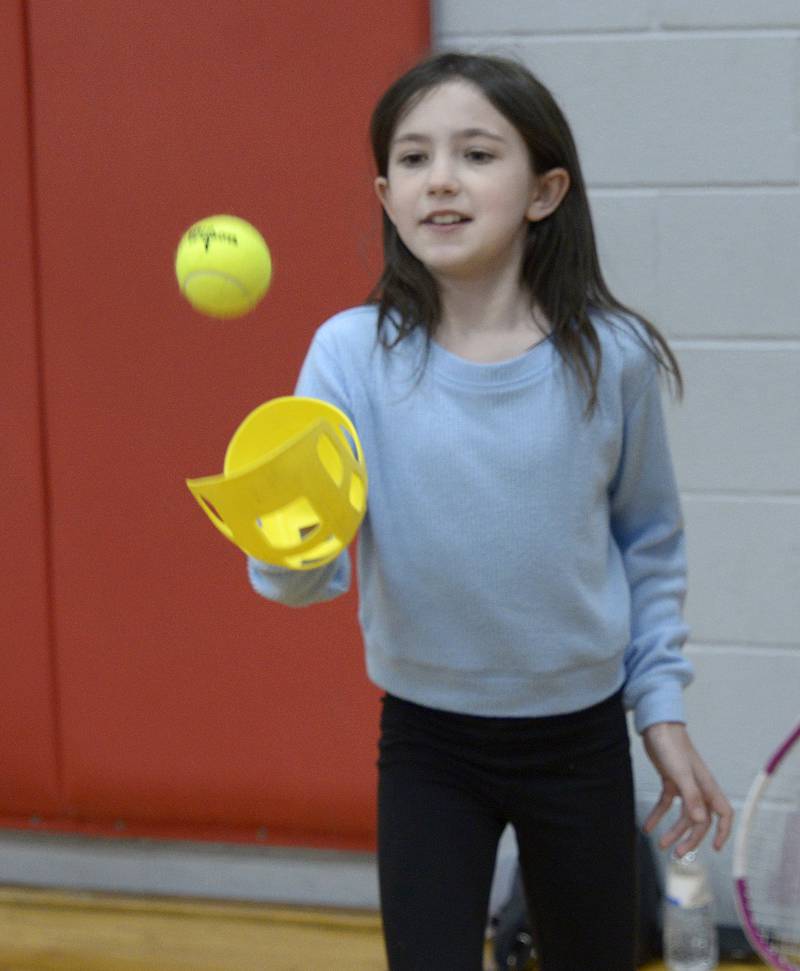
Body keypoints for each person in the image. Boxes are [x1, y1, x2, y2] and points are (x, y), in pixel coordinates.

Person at [247, 50, 733, 971]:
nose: (441, 180)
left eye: (476, 154)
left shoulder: (614, 355)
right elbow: (306, 577)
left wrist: (660, 713)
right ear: (385, 194)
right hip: (429, 743)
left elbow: (649, 542)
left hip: (581, 738)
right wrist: (279, 537)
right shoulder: (346, 357)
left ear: (545, 190)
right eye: (415, 158)